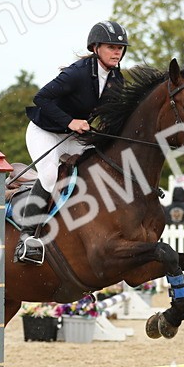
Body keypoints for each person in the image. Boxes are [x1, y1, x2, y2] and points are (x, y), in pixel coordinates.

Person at [14, 20, 129, 264]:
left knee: (104, 162)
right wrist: (70, 122)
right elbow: (41, 97)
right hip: (45, 131)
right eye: (111, 46)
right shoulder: (78, 72)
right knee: (48, 176)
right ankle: (27, 237)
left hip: (74, 136)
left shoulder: (116, 79)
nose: (117, 51)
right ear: (95, 48)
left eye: (120, 47)